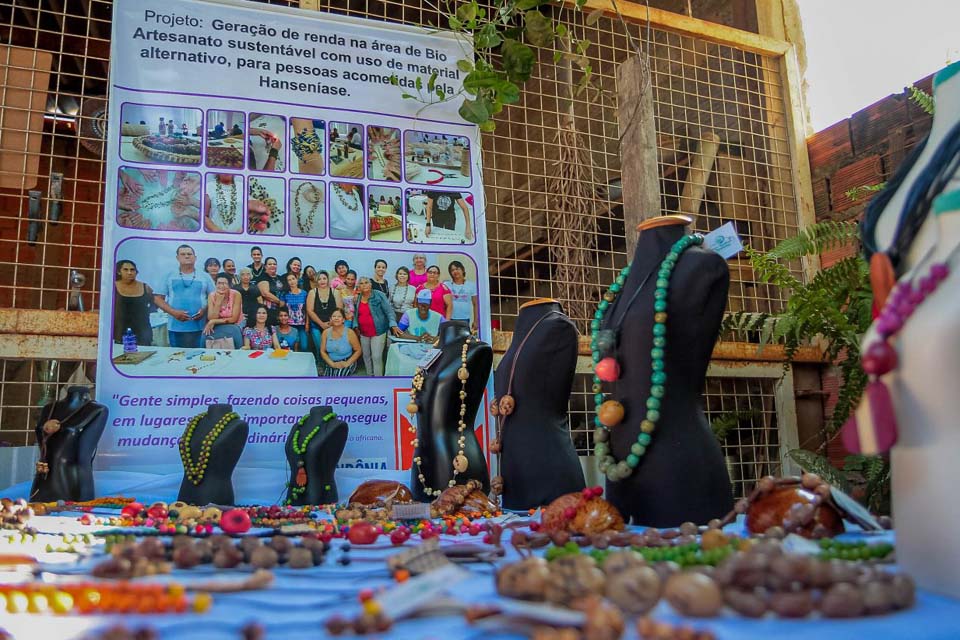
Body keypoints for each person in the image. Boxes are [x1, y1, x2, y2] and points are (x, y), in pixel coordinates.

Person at [153, 244, 211, 348]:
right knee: (177, 357)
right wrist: (174, 312)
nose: (187, 256)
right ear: (177, 258)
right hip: (175, 327)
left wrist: (204, 310)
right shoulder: (169, 275)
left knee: (199, 358)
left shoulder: (205, 276)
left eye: (189, 254)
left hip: (200, 327)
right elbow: (157, 299)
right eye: (183, 254)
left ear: (195, 257)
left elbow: (214, 297)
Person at [355, 276, 401, 376]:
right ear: (359, 286)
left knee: (376, 357)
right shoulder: (358, 297)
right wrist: (355, 326)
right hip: (363, 332)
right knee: (366, 357)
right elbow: (356, 314)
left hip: (378, 332)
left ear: (371, 284)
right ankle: (369, 377)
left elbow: (389, 311)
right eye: (361, 283)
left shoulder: (379, 295)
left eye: (366, 282)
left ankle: (378, 380)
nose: (364, 285)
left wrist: (393, 324)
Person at [113, 259, 154, 346]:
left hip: (142, 332)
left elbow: (154, 303)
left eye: (132, 270)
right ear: (119, 272)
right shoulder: (113, 287)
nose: (129, 273)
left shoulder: (145, 287)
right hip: (120, 331)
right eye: (125, 270)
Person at [306, 270, 342, 358]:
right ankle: (321, 364)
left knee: (331, 347)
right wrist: (321, 324)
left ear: (328, 280)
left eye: (324, 278)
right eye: (319, 279)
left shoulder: (335, 292)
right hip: (317, 324)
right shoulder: (312, 292)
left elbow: (339, 309)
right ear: (316, 281)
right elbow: (310, 310)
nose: (322, 281)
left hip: (333, 324)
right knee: (320, 347)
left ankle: (332, 364)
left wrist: (331, 323)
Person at [203, 273, 243, 348]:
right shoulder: (211, 296)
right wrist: (218, 301)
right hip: (217, 325)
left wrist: (214, 321)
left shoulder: (236, 294)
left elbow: (234, 319)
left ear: (229, 285)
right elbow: (211, 317)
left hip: (235, 325)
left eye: (224, 283)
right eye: (219, 283)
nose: (221, 286)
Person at [320, 308, 361, 376]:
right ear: (330, 319)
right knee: (327, 381)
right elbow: (322, 351)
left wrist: (347, 363)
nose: (336, 318)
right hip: (331, 362)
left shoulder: (349, 333)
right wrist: (332, 364)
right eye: (334, 316)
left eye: (339, 316)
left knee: (339, 378)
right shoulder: (325, 333)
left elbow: (358, 350)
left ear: (343, 320)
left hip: (346, 361)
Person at [446, 260, 479, 331]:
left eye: (457, 269)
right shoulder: (447, 285)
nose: (455, 271)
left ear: (463, 270)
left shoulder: (471, 285)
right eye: (452, 270)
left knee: (463, 340)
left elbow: (475, 304)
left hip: (465, 319)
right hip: (450, 318)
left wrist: (476, 321)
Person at [281, 272, 309, 352]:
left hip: (302, 324)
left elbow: (307, 309)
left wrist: (307, 323)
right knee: (290, 346)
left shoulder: (304, 293)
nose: (292, 281)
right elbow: (281, 307)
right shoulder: (285, 294)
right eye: (289, 280)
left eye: (293, 279)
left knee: (304, 346)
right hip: (289, 324)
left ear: (297, 280)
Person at [257, 257, 285, 324]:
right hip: (268, 312)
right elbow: (265, 293)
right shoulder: (262, 277)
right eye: (270, 264)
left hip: (281, 313)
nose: (272, 265)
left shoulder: (280, 278)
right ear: (265, 266)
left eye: (274, 264)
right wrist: (279, 302)